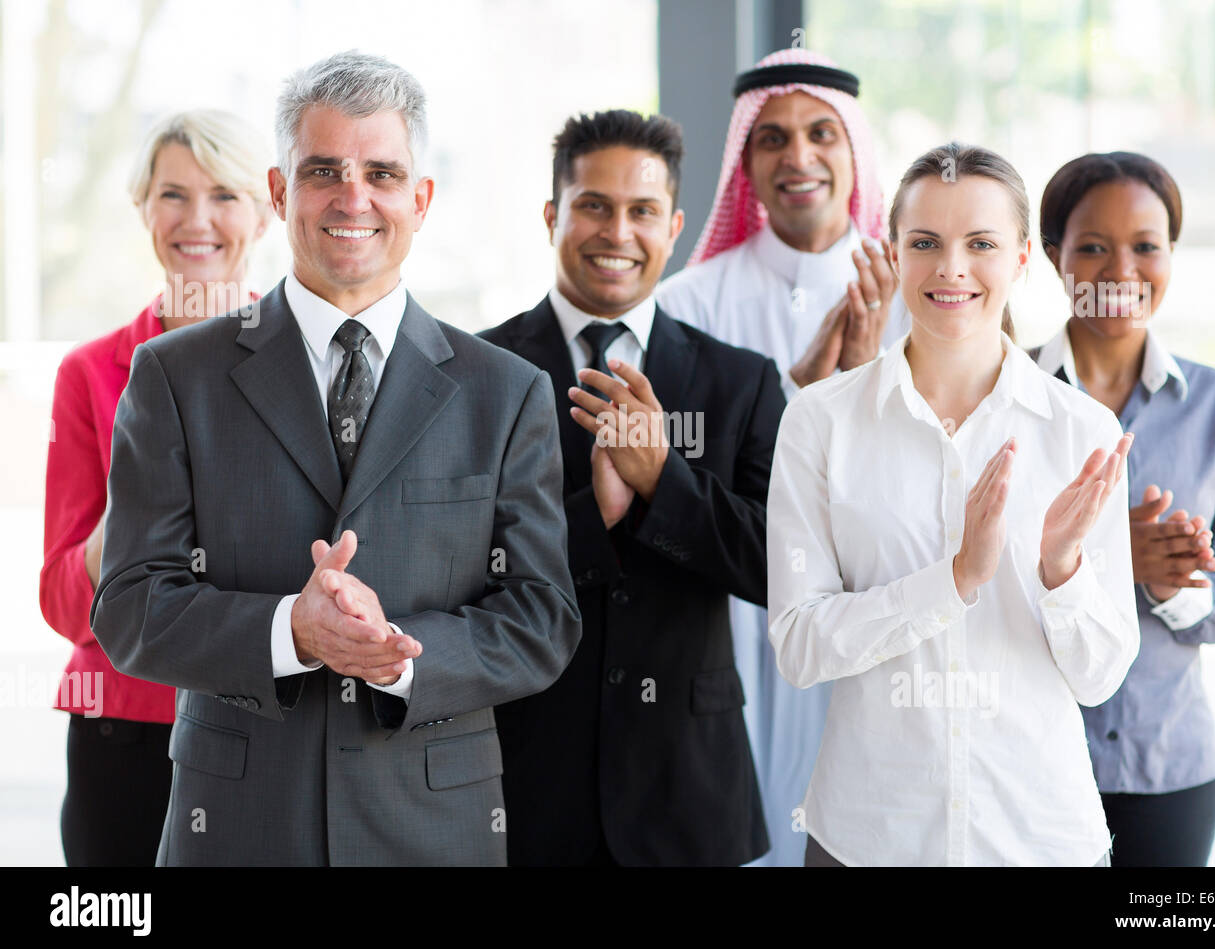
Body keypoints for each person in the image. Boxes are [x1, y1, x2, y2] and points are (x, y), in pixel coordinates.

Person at [90, 51, 580, 866]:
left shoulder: (506, 391)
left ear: (421, 200)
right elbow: (131, 606)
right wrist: (292, 630)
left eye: (382, 173)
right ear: (281, 193)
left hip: (433, 832)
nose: (354, 198)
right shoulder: (176, 377)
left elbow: (542, 618)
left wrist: (398, 657)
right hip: (240, 828)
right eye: (324, 171)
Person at [766, 142, 1141, 866]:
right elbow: (800, 646)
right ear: (893, 253)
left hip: (1040, 841)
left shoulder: (1083, 432)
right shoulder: (819, 422)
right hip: (869, 840)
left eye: (982, 244)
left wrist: (1062, 568)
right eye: (925, 243)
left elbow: (1099, 679)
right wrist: (954, 580)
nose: (951, 268)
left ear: (1023, 257)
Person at [481, 110, 784, 866]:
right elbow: (457, 568)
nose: (618, 232)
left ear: (673, 227)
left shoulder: (741, 381)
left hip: (690, 793)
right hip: (524, 786)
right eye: (594, 205)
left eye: (642, 210)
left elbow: (780, 564)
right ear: (552, 216)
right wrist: (596, 519)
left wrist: (662, 483)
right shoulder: (477, 373)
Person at [655, 47, 909, 867]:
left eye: (820, 134)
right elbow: (671, 477)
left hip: (867, 606)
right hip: (729, 615)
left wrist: (862, 391)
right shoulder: (686, 303)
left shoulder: (917, 296)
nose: (799, 156)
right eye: (772, 138)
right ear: (746, 163)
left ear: (853, 151)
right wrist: (796, 398)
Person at [40, 109, 271, 866]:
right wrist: (139, 494)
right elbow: (64, 604)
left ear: (266, 211)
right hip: (124, 736)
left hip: (264, 727)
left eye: (225, 195)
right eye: (173, 194)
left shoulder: (306, 367)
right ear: (143, 208)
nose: (196, 220)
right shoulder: (89, 375)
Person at [1032, 152, 1215, 866]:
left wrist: (1172, 588)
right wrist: (1102, 559)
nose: (1120, 271)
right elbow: (964, 584)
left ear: (1171, 254)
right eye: (1092, 248)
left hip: (1172, 774)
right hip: (1031, 768)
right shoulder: (1007, 398)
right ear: (1053, 255)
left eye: (1145, 246)